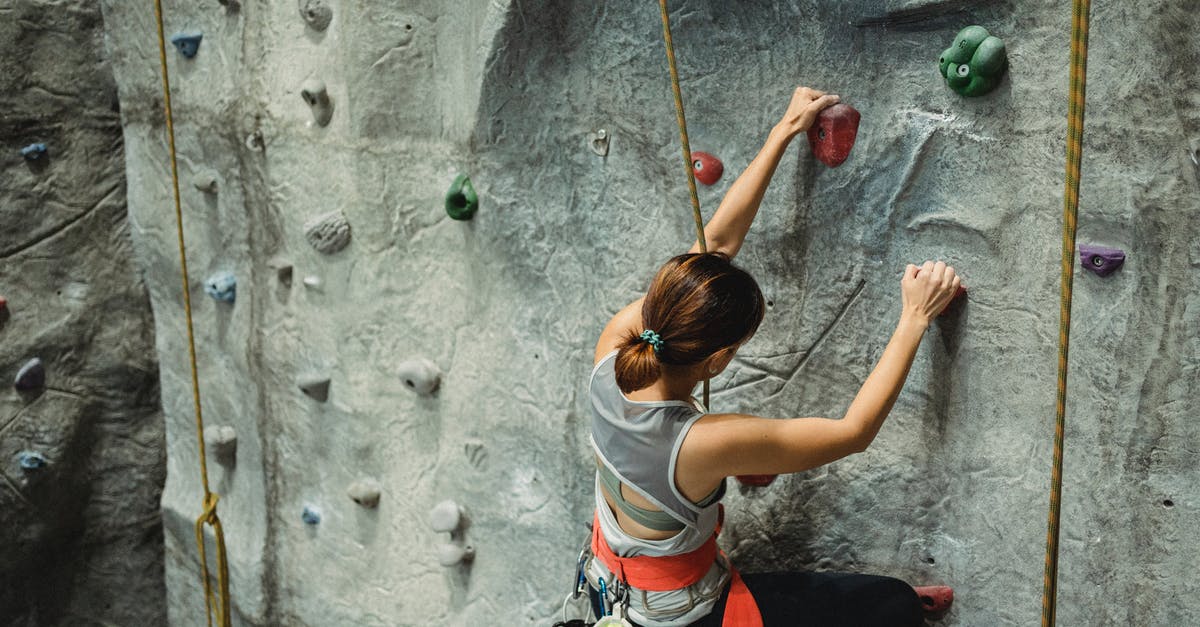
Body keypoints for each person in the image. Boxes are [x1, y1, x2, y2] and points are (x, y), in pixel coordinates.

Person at [581, 86, 962, 626]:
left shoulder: (615, 346)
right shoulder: (702, 442)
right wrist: (914, 319)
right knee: (891, 604)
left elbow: (712, 251)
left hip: (614, 583)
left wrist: (784, 131)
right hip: (679, 616)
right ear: (717, 362)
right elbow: (852, 432)